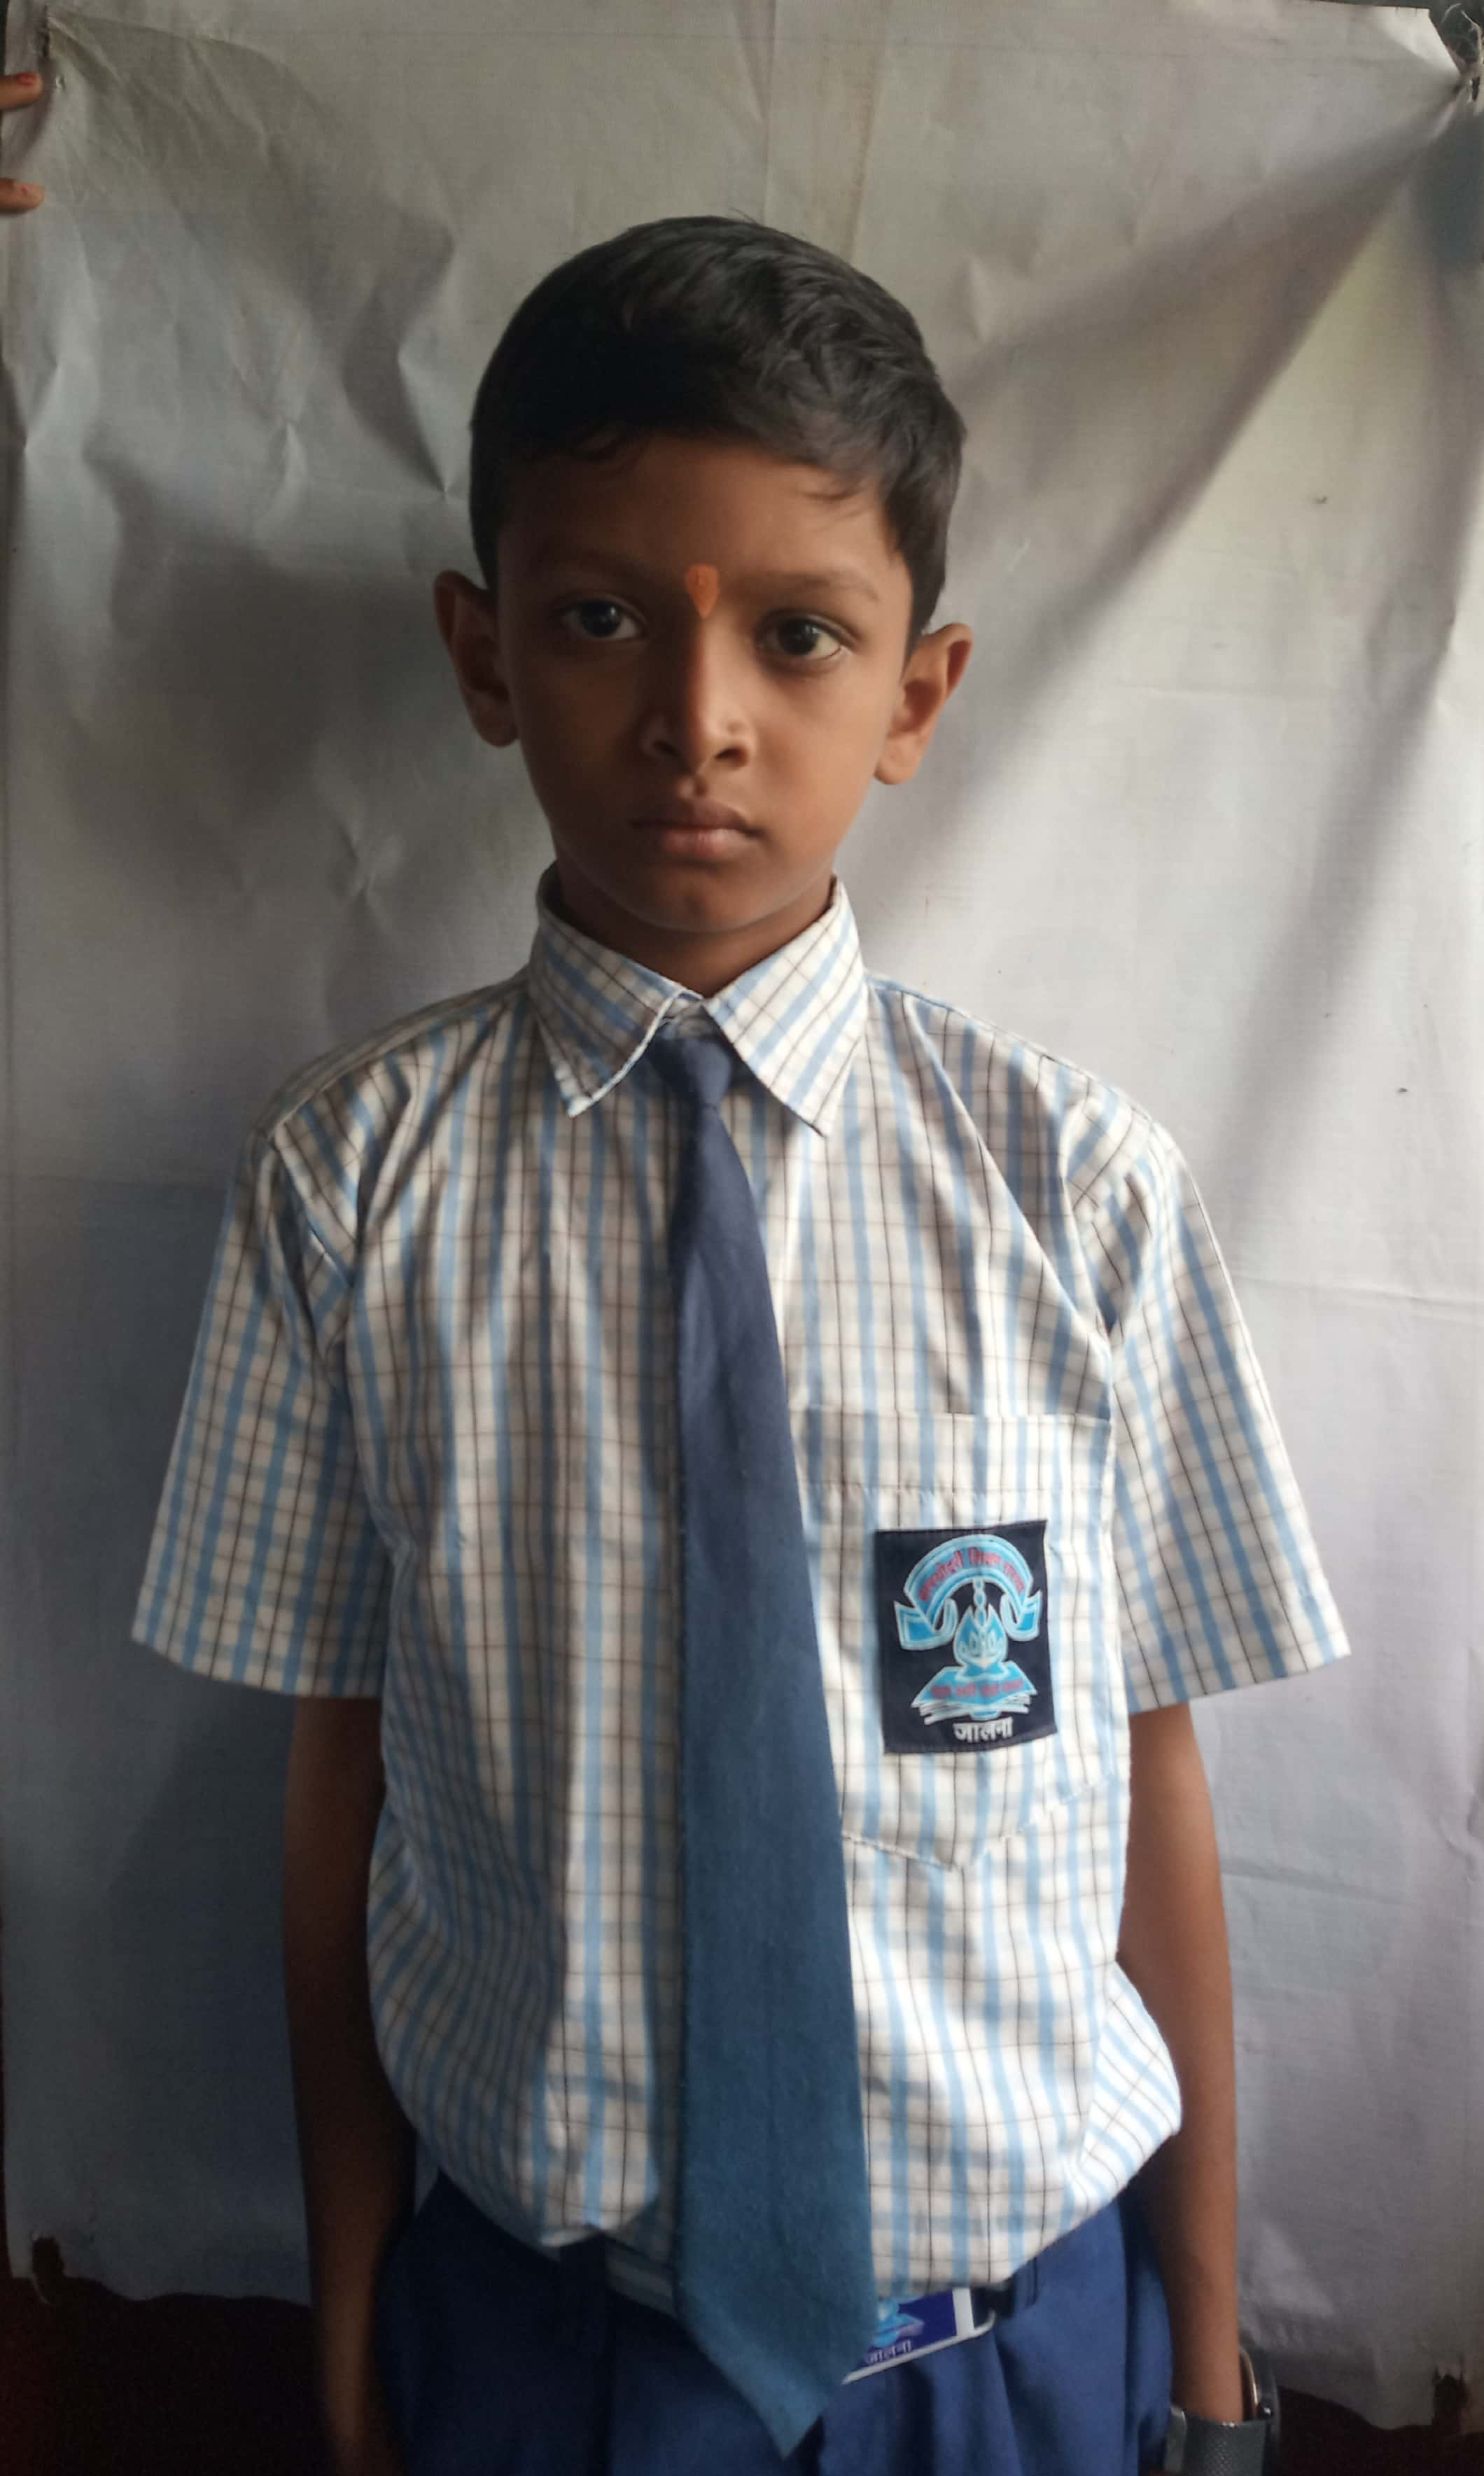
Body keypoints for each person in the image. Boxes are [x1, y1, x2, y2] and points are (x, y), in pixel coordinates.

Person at [132, 212, 1347, 2476]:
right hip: (547, 2355)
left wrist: (1206, 2362)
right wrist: (352, 2300)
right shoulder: (345, 1184)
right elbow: (334, 1779)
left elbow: (1150, 1772)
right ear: (484, 652)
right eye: (602, 617)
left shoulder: (1077, 1190)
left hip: (1013, 2360)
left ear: (918, 695)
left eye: (799, 634)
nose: (697, 718)